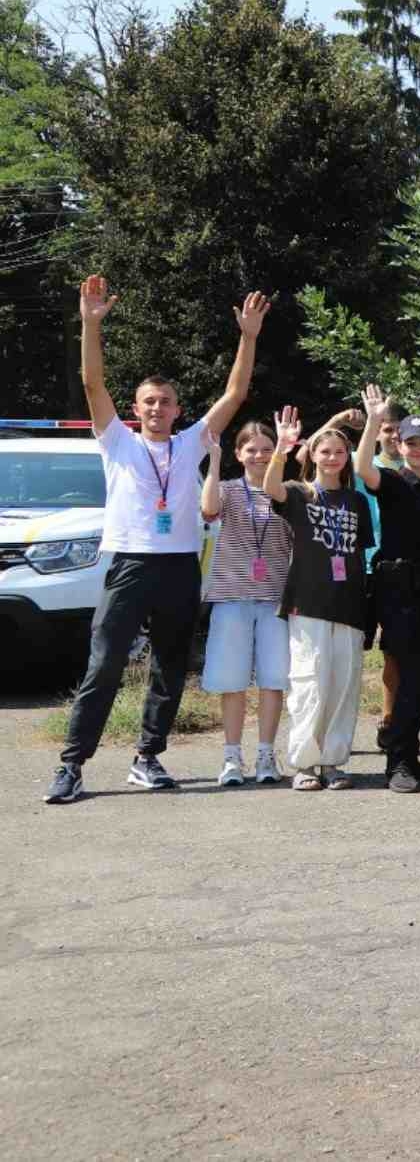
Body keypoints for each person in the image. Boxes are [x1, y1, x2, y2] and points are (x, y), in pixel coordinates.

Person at [48, 277, 263, 804]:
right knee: (105, 664)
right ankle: (72, 765)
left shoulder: (192, 443)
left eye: (165, 402)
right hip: (129, 564)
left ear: (177, 408)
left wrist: (249, 337)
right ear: (136, 408)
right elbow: (93, 382)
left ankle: (147, 757)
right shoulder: (116, 440)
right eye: (148, 402)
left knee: (170, 666)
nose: (156, 409)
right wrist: (90, 324)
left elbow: (236, 394)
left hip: (180, 567)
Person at [354, 387, 420, 793]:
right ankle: (396, 762)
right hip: (400, 591)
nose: (416, 448)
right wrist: (372, 419)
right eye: (409, 442)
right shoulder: (393, 481)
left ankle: (410, 755)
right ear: (398, 444)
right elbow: (363, 466)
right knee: (410, 675)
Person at [262, 407, 373, 790]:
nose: (331, 458)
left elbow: (358, 555)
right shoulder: (298, 493)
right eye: (324, 452)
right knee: (310, 684)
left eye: (338, 452)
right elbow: (270, 488)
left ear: (347, 458)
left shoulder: (356, 502)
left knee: (343, 686)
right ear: (313, 455)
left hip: (349, 605)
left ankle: (334, 762)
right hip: (307, 603)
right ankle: (305, 765)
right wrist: (281, 446)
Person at [197, 418, 289, 787]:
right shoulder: (228, 489)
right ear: (240, 454)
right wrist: (214, 459)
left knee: (273, 681)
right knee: (232, 682)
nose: (260, 455)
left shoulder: (286, 491)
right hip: (231, 597)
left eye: (267, 449)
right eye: (251, 449)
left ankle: (266, 754)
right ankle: (231, 756)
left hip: (275, 599)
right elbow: (208, 510)